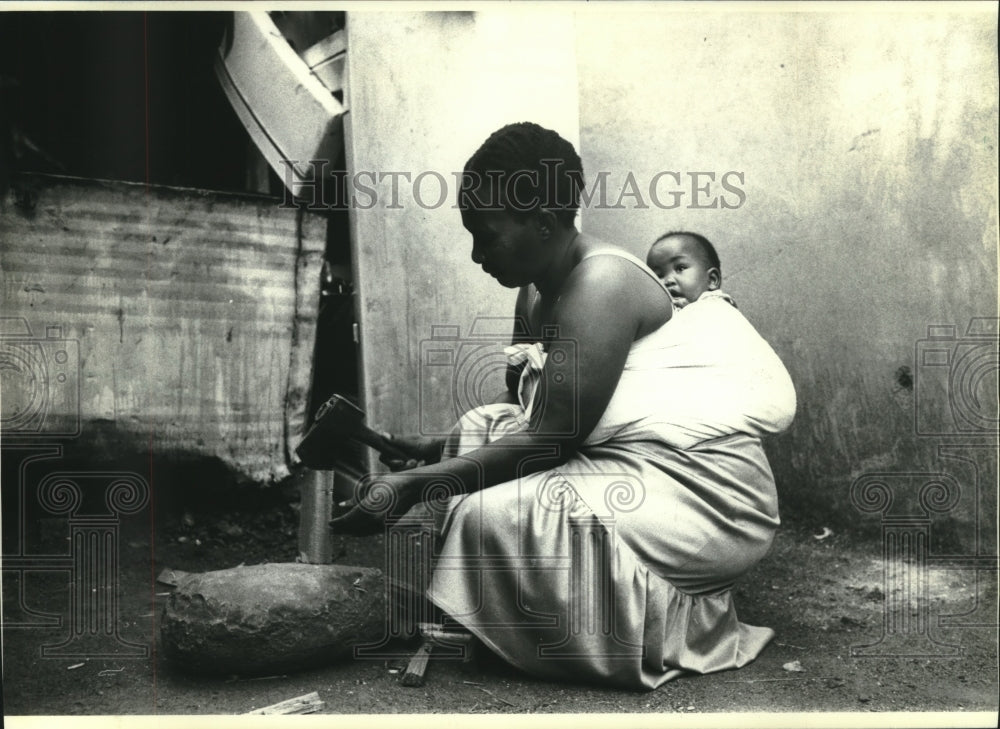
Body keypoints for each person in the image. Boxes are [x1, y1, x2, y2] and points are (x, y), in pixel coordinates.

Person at [330, 122, 796, 689]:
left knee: (484, 519)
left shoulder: (601, 284)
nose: (477, 255)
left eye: (487, 236)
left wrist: (419, 483)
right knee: (478, 428)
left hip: (699, 488)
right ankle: (490, 605)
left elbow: (552, 438)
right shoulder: (534, 287)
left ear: (544, 224)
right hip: (621, 457)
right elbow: (521, 404)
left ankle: (561, 621)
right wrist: (434, 450)